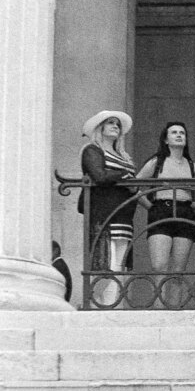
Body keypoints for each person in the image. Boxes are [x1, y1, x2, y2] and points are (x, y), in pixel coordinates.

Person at [137, 121, 195, 308]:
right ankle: (159, 309)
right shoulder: (156, 162)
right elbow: (134, 186)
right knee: (159, 266)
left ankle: (175, 310)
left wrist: (188, 205)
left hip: (184, 213)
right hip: (160, 211)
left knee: (178, 271)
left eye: (182, 132)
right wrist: (150, 206)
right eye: (174, 132)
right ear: (166, 139)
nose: (179, 135)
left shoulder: (191, 165)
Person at [78, 110, 136, 308]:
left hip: (124, 218)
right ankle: (98, 308)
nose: (115, 127)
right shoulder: (92, 150)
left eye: (117, 125)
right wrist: (122, 176)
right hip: (104, 217)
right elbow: (99, 176)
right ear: (100, 127)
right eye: (110, 123)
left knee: (119, 269)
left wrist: (131, 183)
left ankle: (112, 307)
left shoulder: (124, 157)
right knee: (104, 267)